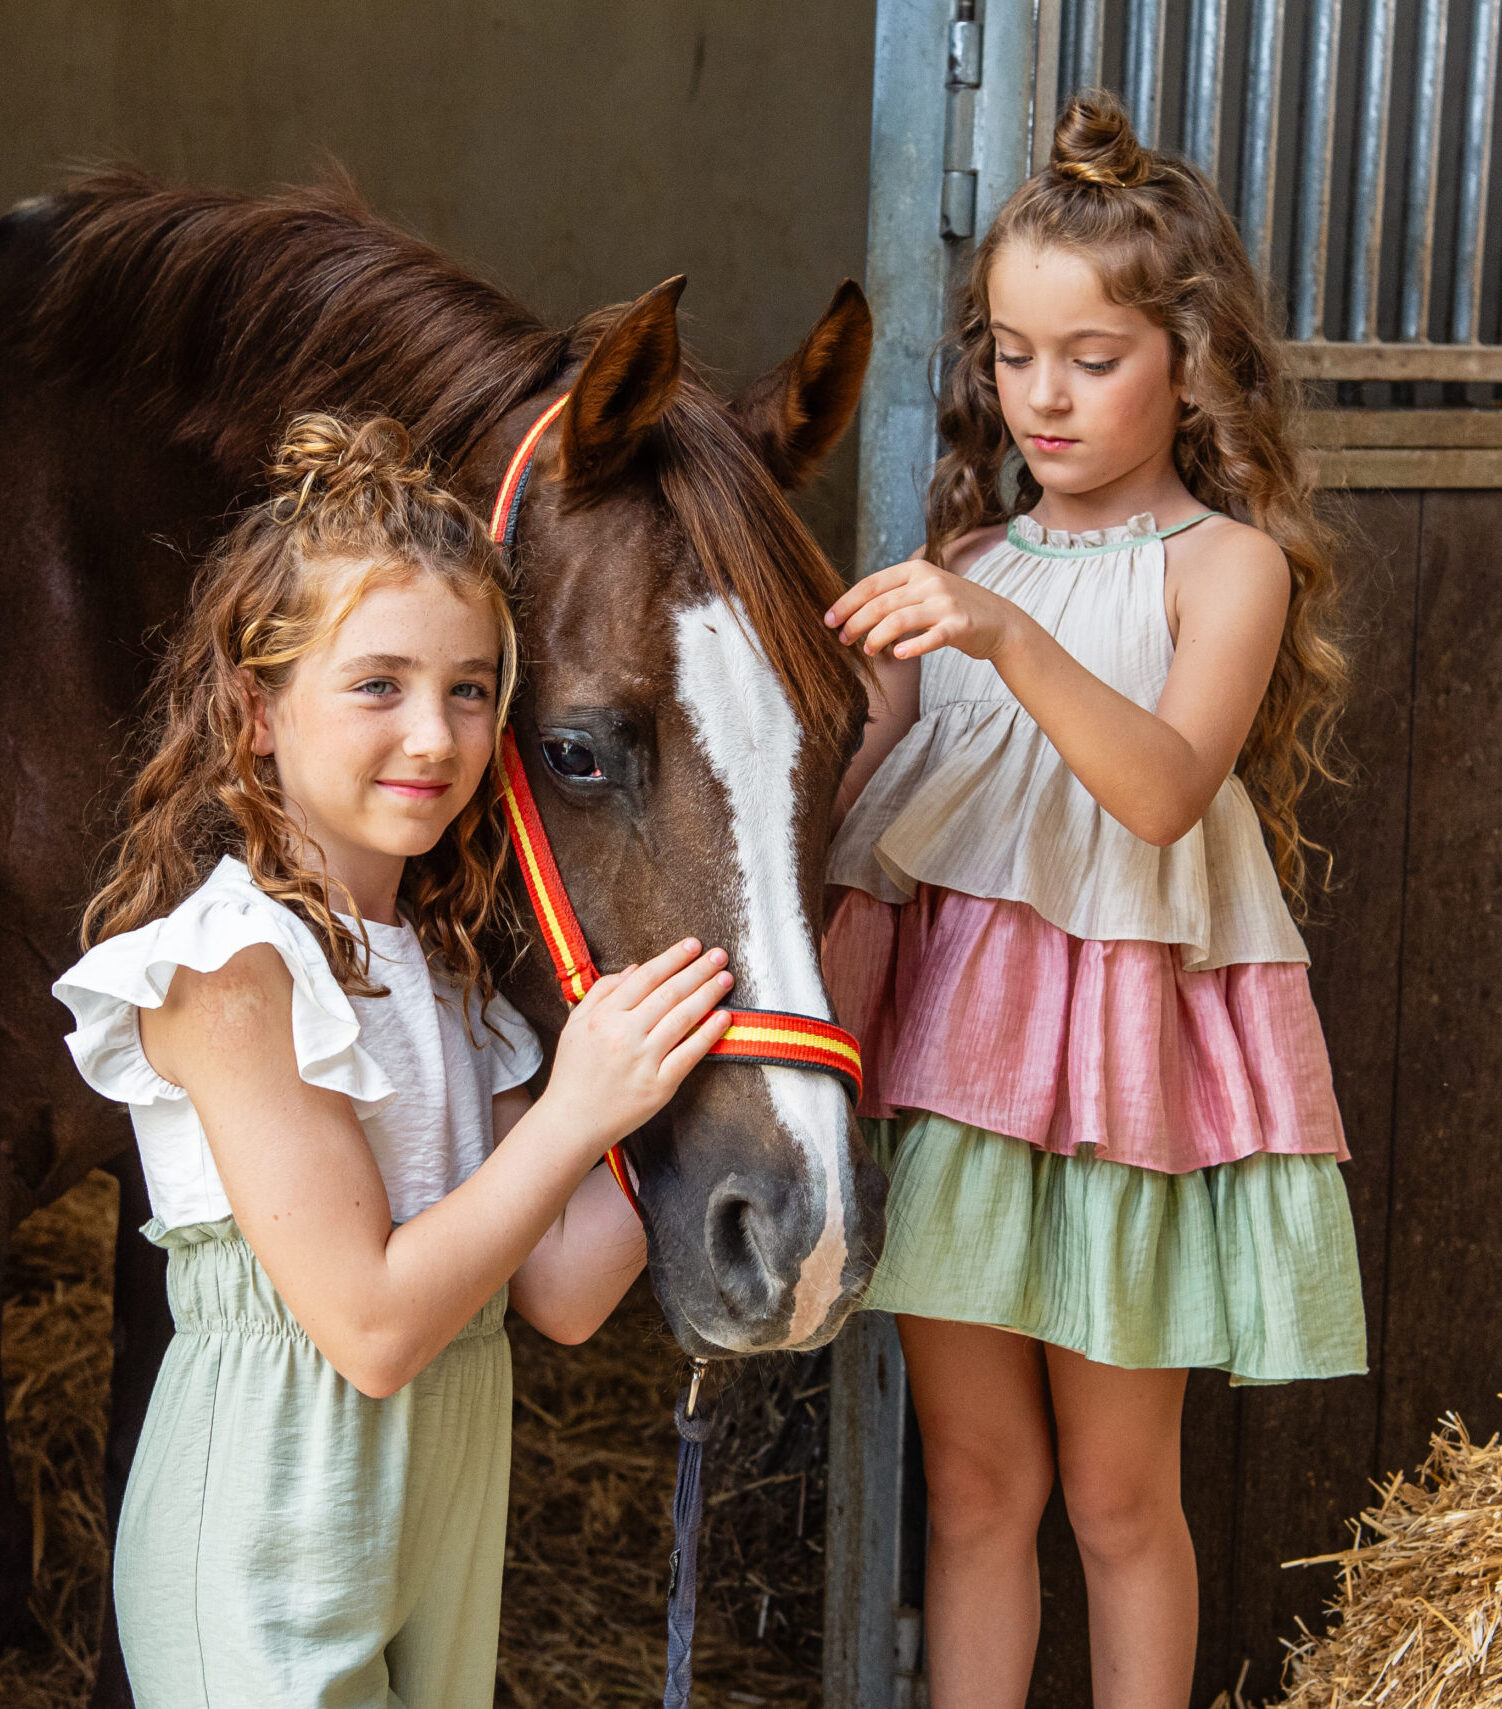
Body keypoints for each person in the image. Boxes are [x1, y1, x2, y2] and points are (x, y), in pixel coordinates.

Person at [52, 414, 735, 1709]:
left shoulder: (451, 974)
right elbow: (368, 1327)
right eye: (378, 685)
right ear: (256, 711)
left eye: (470, 689)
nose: (434, 735)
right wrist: (578, 1107)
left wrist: (682, 1072)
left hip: (432, 1524)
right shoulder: (231, 970)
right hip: (267, 1537)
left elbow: (564, 1288)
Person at [821, 92, 1365, 1709]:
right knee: (976, 1484)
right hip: (957, 1074)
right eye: (1009, 354)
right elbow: (854, 814)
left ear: (1189, 364)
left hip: (1126, 1083)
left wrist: (1003, 640)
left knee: (1120, 1496)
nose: (1041, 395)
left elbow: (1159, 789)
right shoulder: (960, 566)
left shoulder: (1222, 566)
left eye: (1091, 356)